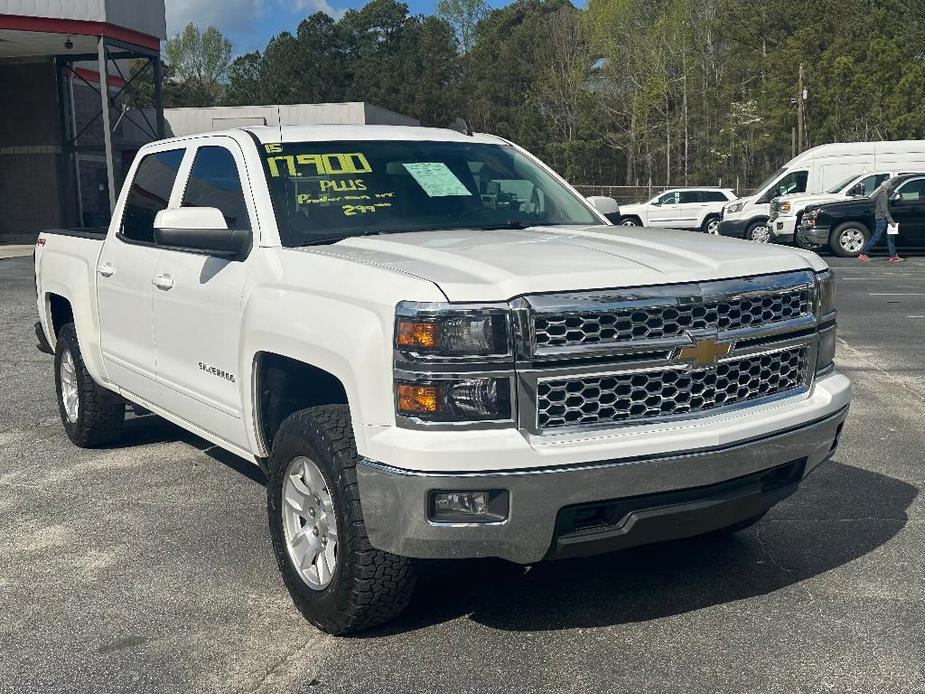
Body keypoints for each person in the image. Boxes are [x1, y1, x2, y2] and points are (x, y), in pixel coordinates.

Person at [858, 178, 902, 262]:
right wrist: (891, 221)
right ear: (887, 187)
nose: (891, 188)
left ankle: (893, 255)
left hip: (882, 218)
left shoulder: (881, 194)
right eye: (890, 187)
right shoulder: (883, 195)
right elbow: (884, 210)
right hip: (882, 219)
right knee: (876, 237)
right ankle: (863, 253)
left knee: (890, 236)